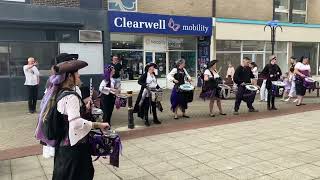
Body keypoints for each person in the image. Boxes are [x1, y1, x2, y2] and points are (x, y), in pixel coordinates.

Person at [35, 53, 109, 180]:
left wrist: (84, 109)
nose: (79, 75)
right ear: (69, 76)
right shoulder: (71, 96)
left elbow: (67, 116)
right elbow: (75, 123)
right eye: (77, 73)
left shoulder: (59, 93)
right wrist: (99, 125)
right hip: (74, 149)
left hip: (63, 148)